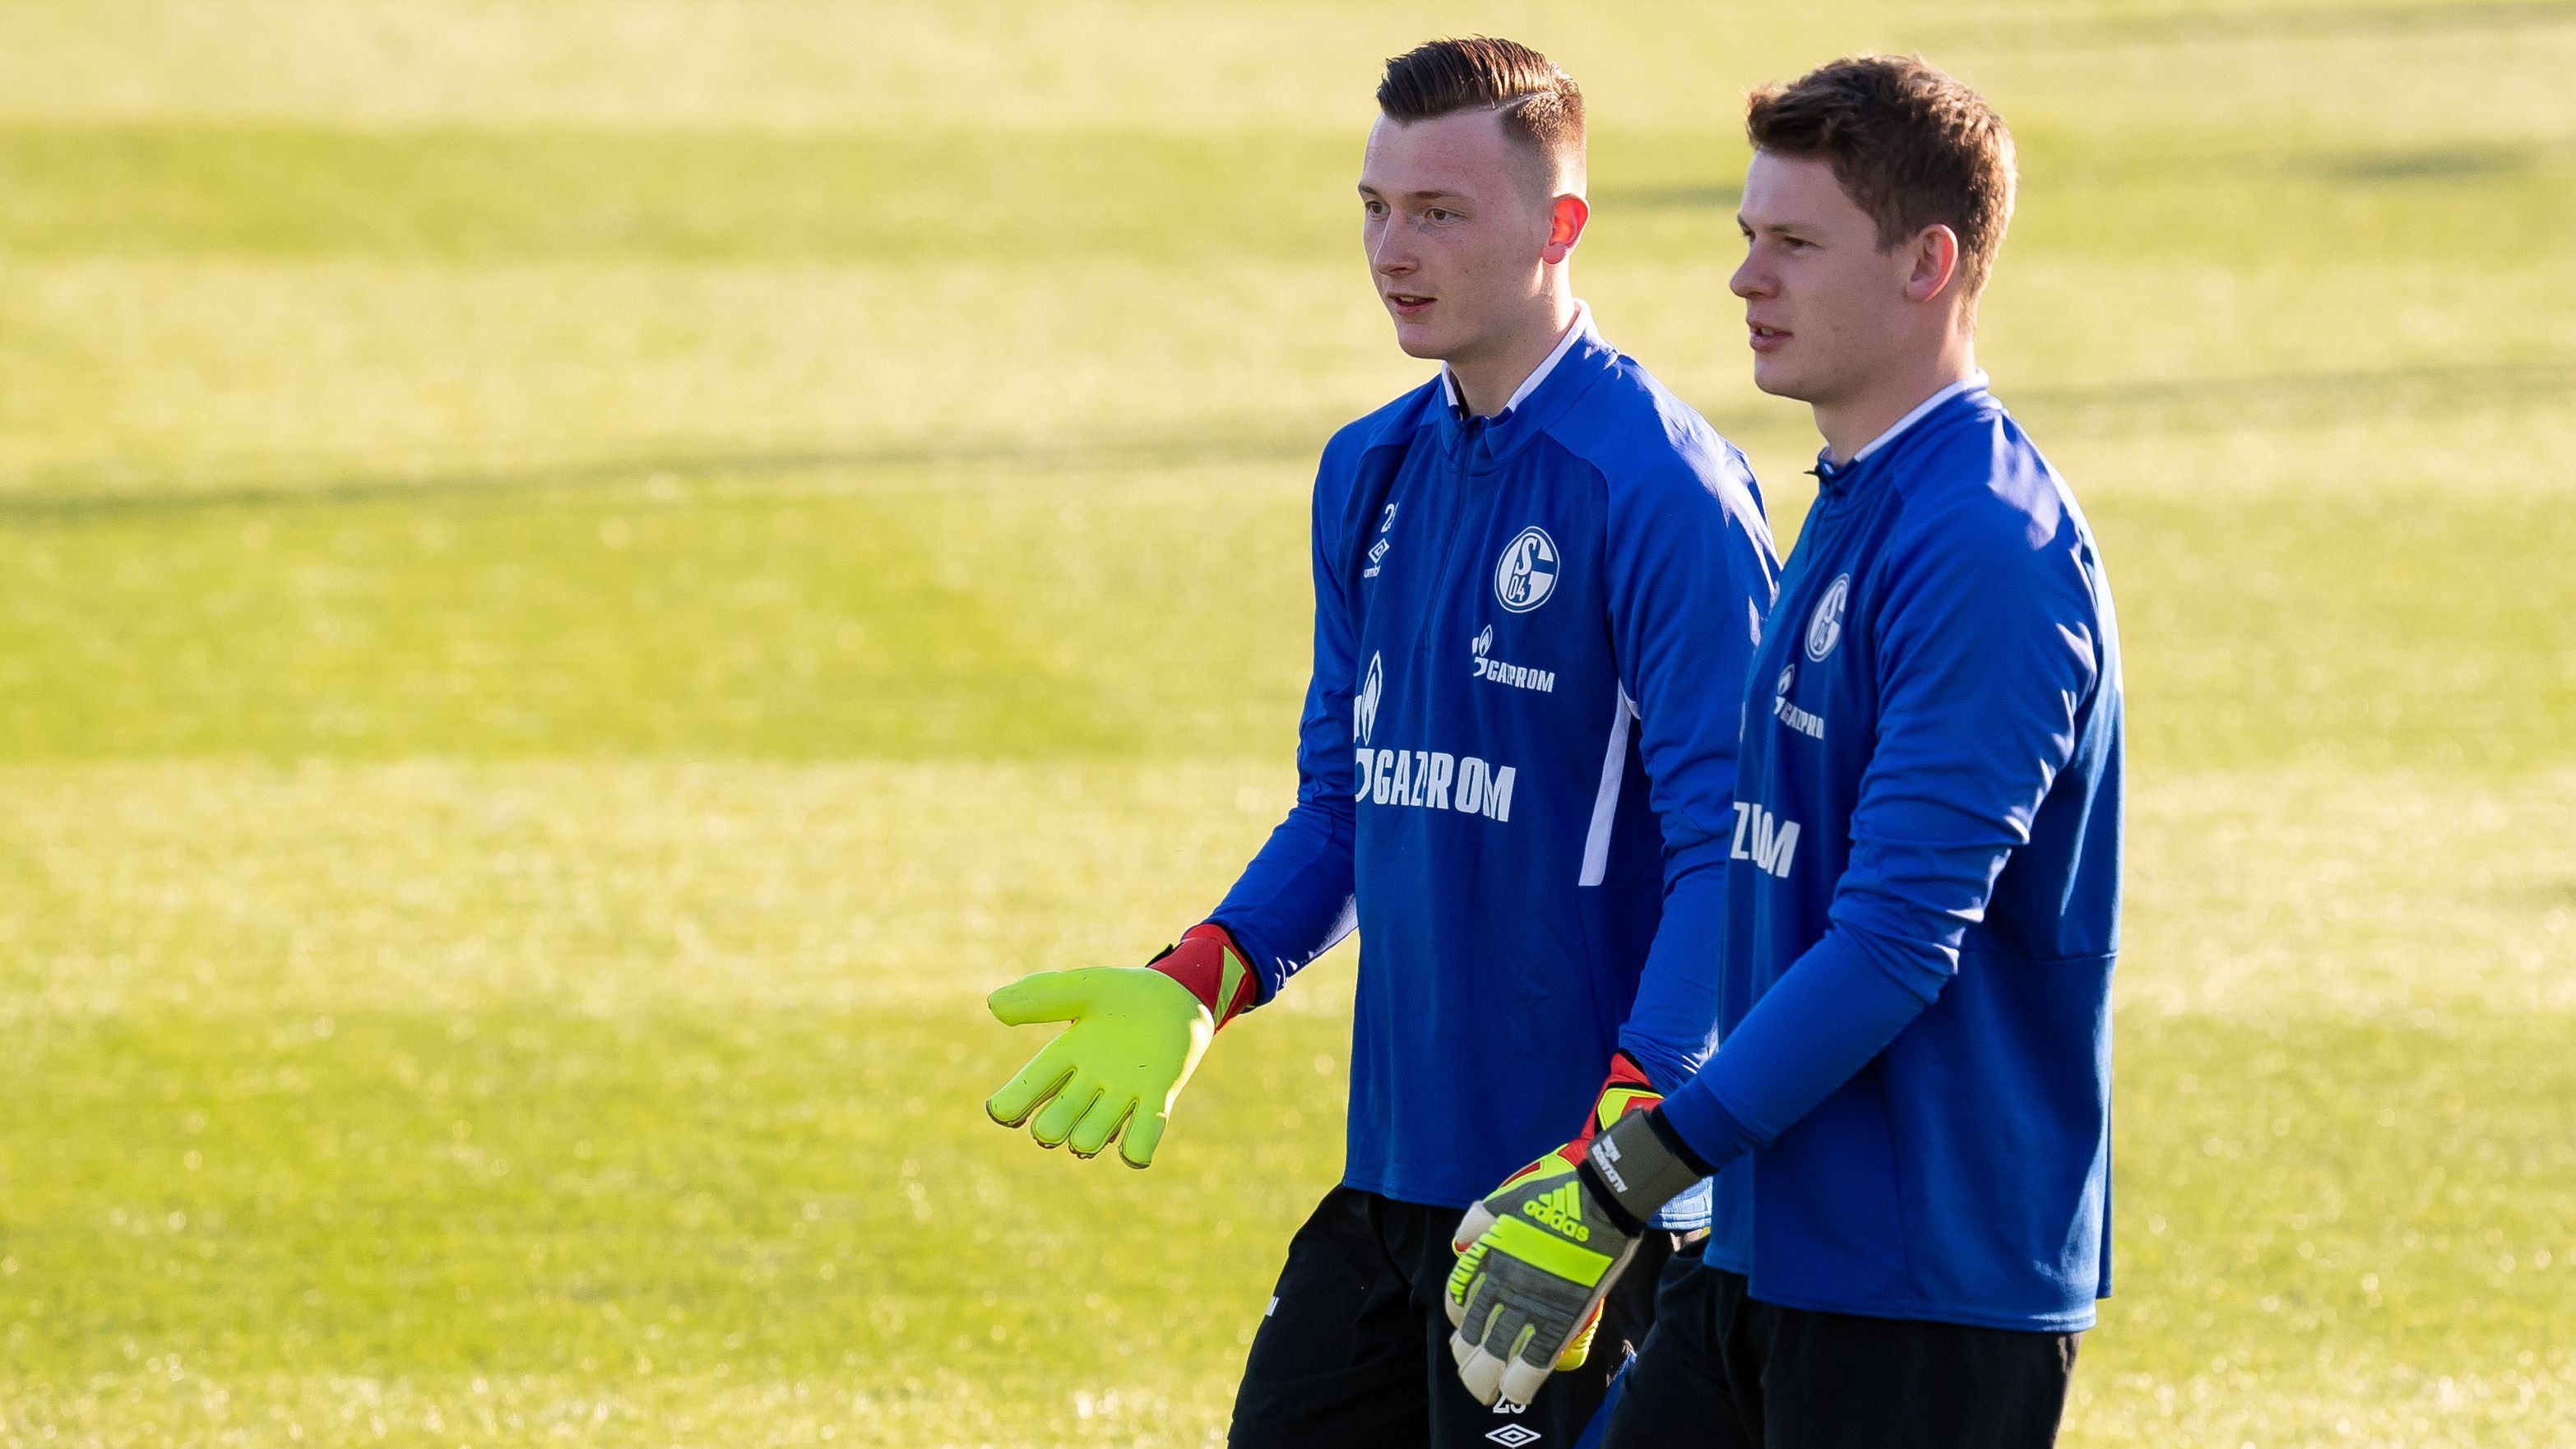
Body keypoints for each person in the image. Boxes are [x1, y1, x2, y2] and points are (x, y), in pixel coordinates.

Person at [979, 35, 1779, 1449]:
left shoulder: (1659, 488)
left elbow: (1739, 851)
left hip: (1569, 1214)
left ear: (1559, 227)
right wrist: (1202, 972)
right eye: (1374, 207)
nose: (1390, 251)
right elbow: (1348, 803)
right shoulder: (1372, 468)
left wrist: (1621, 1152)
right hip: (1396, 1179)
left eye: (1439, 214)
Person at [1443, 54, 2124, 1449]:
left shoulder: (1986, 551)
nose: (1748, 281)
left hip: (1921, 1292)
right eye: (1747, 239)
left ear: (1929, 262)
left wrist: (1630, 1169)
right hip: (1766, 1248)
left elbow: (1892, 944)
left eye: (1796, 245)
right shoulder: (1854, 499)